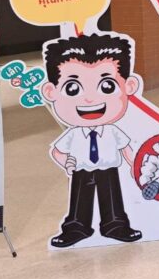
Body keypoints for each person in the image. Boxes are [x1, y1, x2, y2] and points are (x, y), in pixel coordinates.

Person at [41, 33, 143, 248]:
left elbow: (126, 148)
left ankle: (115, 225)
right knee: (79, 199)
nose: (89, 99)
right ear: (51, 91)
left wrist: (136, 165)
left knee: (112, 197)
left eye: (107, 86)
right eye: (72, 88)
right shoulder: (73, 134)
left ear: (129, 86)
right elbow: (58, 151)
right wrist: (66, 162)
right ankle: (76, 227)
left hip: (108, 169)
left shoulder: (113, 131)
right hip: (81, 169)